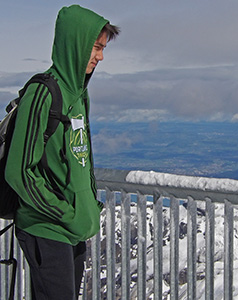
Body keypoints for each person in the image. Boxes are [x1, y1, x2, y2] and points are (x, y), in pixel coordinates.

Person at [5, 5, 120, 299]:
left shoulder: (79, 95)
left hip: (73, 229)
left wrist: (87, 208)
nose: (101, 57)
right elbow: (19, 171)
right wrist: (67, 214)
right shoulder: (43, 93)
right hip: (46, 228)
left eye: (103, 48)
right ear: (75, 45)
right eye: (95, 47)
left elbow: (81, 160)